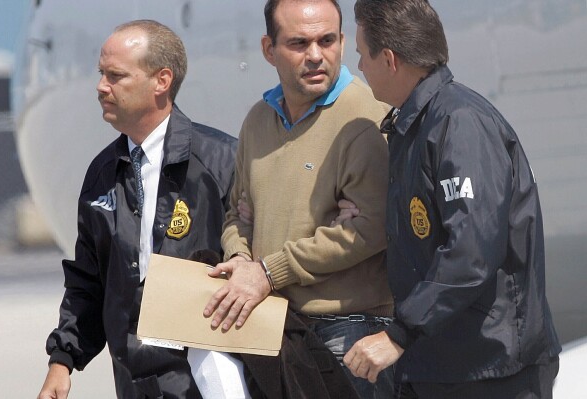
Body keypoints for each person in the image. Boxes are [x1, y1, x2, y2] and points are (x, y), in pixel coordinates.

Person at [342, 1, 562, 398]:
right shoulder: (417, 126)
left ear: (389, 59)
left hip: (489, 371)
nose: (359, 66)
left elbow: (471, 251)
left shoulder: (459, 124)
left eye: (361, 54)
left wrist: (400, 335)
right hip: (442, 365)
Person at [203, 0, 394, 397]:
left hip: (347, 334)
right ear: (268, 49)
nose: (315, 56)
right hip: (274, 328)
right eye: (298, 43)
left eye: (327, 41)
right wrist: (239, 260)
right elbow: (239, 213)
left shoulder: (365, 117)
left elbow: (367, 229)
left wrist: (269, 271)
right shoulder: (258, 119)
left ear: (343, 41)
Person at [37, 20, 236, 398]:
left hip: (207, 380)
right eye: (101, 74)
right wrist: (62, 362)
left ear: (162, 81)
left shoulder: (222, 163)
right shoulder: (102, 173)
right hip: (134, 381)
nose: (101, 86)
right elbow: (87, 282)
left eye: (115, 76)